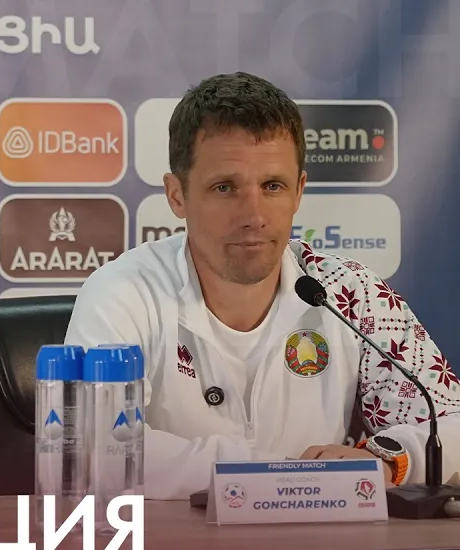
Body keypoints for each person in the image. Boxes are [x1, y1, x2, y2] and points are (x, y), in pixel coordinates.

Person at [64, 72, 460, 500]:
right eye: (225, 188)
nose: (253, 215)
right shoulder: (123, 292)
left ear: (298, 191)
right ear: (177, 195)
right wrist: (283, 475)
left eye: (273, 186)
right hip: (172, 542)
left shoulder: (350, 292)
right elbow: (97, 448)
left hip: (320, 540)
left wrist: (389, 461)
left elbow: (449, 423)